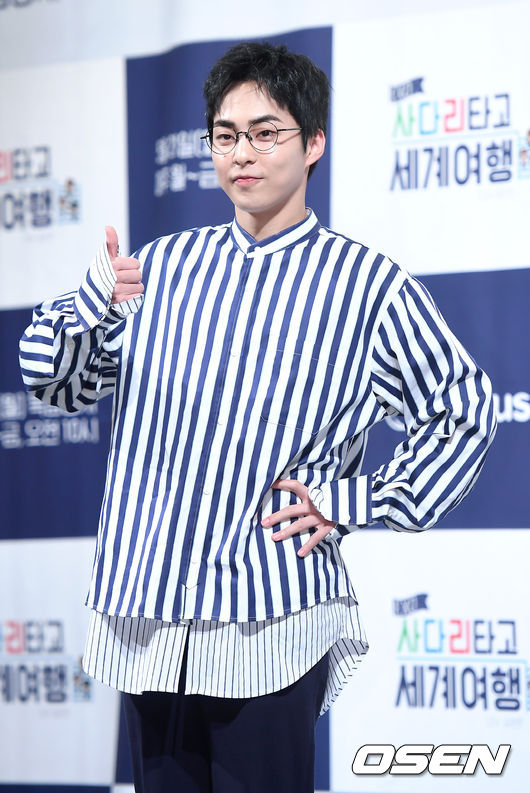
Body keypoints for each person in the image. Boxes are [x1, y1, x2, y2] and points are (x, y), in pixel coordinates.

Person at [19, 41, 496, 793]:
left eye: (266, 132)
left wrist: (353, 500)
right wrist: (88, 307)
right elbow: (56, 386)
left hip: (269, 619)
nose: (242, 153)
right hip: (148, 616)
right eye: (225, 134)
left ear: (314, 143)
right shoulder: (161, 267)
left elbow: (462, 410)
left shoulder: (367, 284)